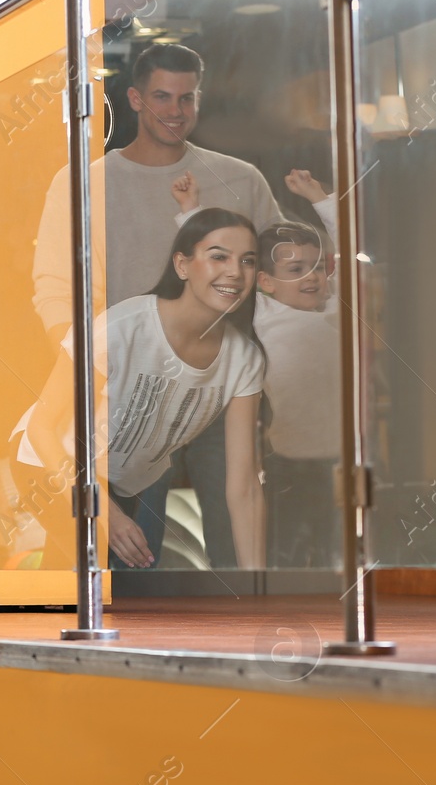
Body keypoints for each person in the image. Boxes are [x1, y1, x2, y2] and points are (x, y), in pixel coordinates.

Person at [31, 44, 281, 568]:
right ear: (135, 99)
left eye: (187, 98)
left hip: (218, 384)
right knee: (132, 567)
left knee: (239, 542)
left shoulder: (242, 179)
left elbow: (274, 275)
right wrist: (89, 367)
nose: (176, 110)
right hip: (130, 396)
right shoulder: (82, 182)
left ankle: (244, 630)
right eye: (162, 97)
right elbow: (54, 288)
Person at [24, 208, 267, 570]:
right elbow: (41, 428)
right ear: (182, 265)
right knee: (89, 579)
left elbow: (244, 486)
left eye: (247, 260)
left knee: (126, 586)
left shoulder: (245, 359)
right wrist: (107, 515)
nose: (235, 271)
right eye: (218, 256)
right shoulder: (122, 327)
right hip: (52, 465)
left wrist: (257, 584)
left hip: (130, 480)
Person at [175, 171, 340, 568]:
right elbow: (211, 268)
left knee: (336, 555)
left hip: (342, 462)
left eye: (316, 267)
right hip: (288, 463)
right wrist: (188, 211)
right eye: (295, 269)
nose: (311, 276)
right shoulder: (261, 315)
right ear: (265, 281)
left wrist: (320, 198)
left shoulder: (339, 308)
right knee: (288, 555)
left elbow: (351, 247)